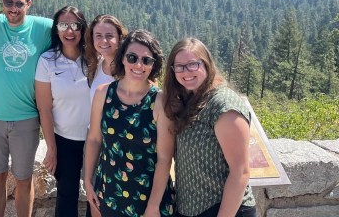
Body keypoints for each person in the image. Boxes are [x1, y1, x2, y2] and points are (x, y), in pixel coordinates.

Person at [84, 29, 175, 217]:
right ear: (123, 58)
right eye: (132, 57)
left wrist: (153, 206)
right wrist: (87, 180)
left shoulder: (159, 101)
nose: (139, 65)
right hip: (108, 190)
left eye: (146, 60)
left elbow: (164, 159)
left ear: (153, 65)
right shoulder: (103, 94)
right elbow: (94, 139)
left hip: (148, 197)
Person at [0, 0, 53, 217]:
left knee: (24, 179)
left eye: (19, 3)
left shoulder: (43, 27)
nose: (13, 8)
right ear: (2, 1)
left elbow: (73, 30)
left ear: (29, 4)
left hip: (26, 120)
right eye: (8, 2)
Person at [163, 38, 256, 217]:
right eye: (179, 66)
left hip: (225, 209)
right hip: (191, 208)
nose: (186, 72)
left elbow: (241, 172)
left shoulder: (223, 106)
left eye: (192, 64)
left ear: (206, 65)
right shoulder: (190, 99)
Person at [35, 6, 90, 217]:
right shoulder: (47, 61)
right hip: (64, 140)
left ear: (83, 29)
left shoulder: (95, 60)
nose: (70, 31)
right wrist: (51, 148)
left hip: (95, 140)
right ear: (56, 30)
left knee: (97, 195)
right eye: (63, 25)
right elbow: (45, 108)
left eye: (75, 25)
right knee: (66, 196)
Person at [86, 14, 127, 104]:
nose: (104, 41)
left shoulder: (131, 67)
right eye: (98, 36)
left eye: (109, 36)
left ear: (120, 38)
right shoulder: (95, 66)